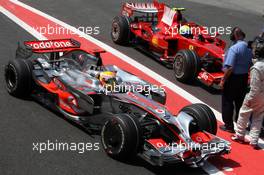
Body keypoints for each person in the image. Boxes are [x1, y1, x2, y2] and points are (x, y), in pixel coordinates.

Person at [231, 36, 264, 150]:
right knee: (258, 117)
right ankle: (254, 141)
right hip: (263, 96)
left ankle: (240, 135)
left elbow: (254, 85)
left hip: (254, 94)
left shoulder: (257, 67)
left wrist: (249, 97)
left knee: (243, 113)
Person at [220, 27, 253, 133]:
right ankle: (240, 125)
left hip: (233, 78)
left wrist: (223, 80)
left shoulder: (234, 48)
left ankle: (229, 126)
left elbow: (230, 67)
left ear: (234, 36)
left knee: (227, 101)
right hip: (243, 78)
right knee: (240, 103)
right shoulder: (249, 48)